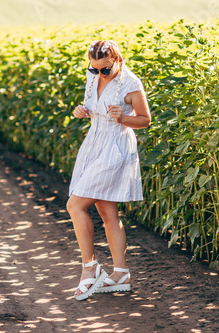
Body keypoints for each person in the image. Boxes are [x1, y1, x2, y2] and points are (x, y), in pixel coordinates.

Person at [67, 40, 151, 301]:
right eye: (94, 69)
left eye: (104, 69)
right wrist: (81, 111)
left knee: (75, 205)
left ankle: (89, 268)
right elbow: (93, 109)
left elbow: (145, 120)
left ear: (118, 61)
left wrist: (123, 117)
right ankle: (120, 274)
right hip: (94, 143)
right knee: (107, 212)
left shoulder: (131, 83)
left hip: (116, 147)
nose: (98, 74)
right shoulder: (92, 77)